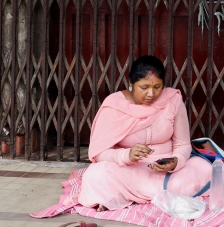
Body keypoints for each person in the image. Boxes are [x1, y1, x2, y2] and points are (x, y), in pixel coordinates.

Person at [77, 55, 211, 211]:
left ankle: (125, 196)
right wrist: (127, 155)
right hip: (129, 170)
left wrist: (176, 161)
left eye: (157, 87)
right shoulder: (114, 105)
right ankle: (155, 195)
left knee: (204, 168)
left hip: (165, 172)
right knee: (95, 175)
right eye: (144, 87)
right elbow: (99, 153)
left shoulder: (172, 100)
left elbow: (182, 143)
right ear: (131, 84)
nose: (151, 94)